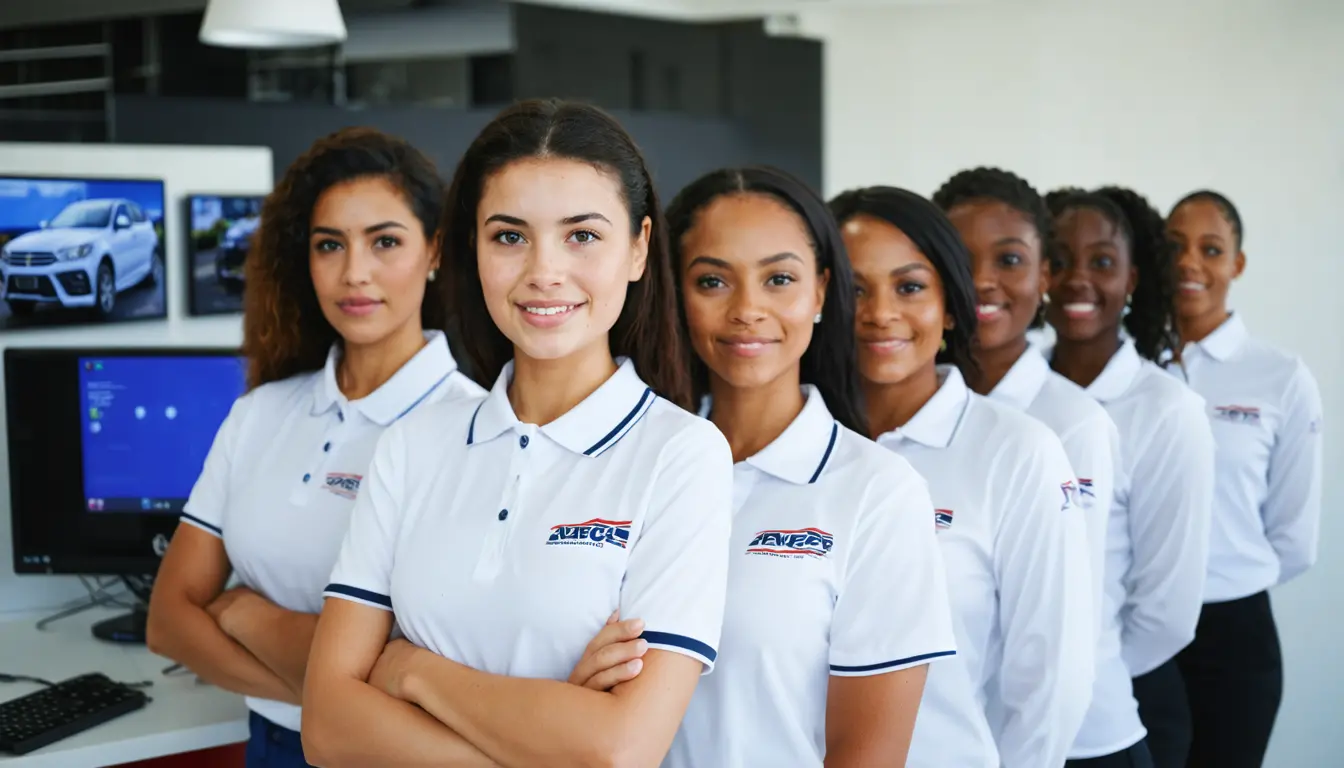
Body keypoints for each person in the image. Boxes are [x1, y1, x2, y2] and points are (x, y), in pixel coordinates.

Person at [301, 99, 734, 768]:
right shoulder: (413, 444)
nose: (543, 271)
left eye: (582, 235)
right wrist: (549, 731)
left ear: (640, 248)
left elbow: (621, 750)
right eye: (509, 236)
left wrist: (414, 673)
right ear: (471, 247)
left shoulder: (681, 455)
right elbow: (327, 728)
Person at [145, 128, 485, 767]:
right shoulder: (261, 412)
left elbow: (438, 673)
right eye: (330, 245)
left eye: (385, 241)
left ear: (435, 249)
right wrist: (334, 699)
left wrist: (242, 613)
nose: (354, 273)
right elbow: (168, 619)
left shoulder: (476, 429)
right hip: (273, 746)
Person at [646, 166, 956, 767]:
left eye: (779, 279)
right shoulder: (636, 466)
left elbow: (866, 758)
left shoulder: (877, 492)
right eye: (713, 281)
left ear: (819, 292)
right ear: (674, 295)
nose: (748, 310)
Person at [832, 185, 1093, 768]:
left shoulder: (1017, 452)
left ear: (952, 304)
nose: (880, 314)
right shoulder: (792, 445)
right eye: (854, 290)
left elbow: (1051, 681)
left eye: (910, 287)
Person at [1047, 187, 1216, 768]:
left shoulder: (1166, 409)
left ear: (1134, 278)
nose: (1076, 279)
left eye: (1101, 262)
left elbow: (1166, 612)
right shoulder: (1009, 401)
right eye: (1059, 259)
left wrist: (1088, 662)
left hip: (1119, 704)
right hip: (1016, 717)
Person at [1166, 190, 1324, 768]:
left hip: (1233, 633)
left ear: (1237, 264)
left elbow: (1294, 537)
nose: (1189, 263)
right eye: (1173, 246)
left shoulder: (1279, 376)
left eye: (1210, 249)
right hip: (1137, 627)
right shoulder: (1127, 368)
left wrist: (1222, 575)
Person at [934, 167, 1119, 646]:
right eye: (960, 258)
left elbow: (1066, 621)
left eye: (1009, 260)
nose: (981, 281)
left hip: (1049, 713)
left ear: (1046, 276)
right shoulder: (909, 404)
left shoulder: (1073, 424)